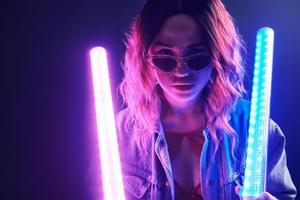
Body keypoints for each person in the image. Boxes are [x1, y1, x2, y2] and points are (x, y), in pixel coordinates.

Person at [116, 0, 297, 199]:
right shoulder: (119, 134)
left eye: (197, 56)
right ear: (145, 58)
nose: (181, 72)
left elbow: (282, 195)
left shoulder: (255, 128)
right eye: (165, 56)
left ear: (218, 56)